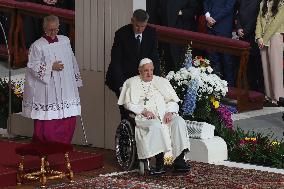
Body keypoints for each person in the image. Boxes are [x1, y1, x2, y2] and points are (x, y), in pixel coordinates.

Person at [118, 58, 190, 174]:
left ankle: (179, 160)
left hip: (164, 115)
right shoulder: (132, 83)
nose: (149, 73)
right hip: (145, 118)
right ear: (140, 71)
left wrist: (170, 112)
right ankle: (160, 162)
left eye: (151, 70)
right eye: (146, 70)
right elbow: (128, 103)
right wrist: (143, 111)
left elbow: (172, 100)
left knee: (179, 121)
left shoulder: (161, 82)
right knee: (157, 126)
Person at [22, 15, 82, 144]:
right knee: (48, 120)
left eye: (56, 29)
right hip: (47, 88)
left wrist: (75, 80)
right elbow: (32, 66)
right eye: (50, 30)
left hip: (64, 86)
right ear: (44, 28)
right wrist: (51, 67)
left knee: (66, 117)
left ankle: (63, 145)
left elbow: (72, 60)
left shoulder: (65, 41)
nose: (53, 32)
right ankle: (46, 145)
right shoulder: (37, 46)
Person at [105, 9, 160, 98]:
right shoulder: (121, 34)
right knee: (126, 109)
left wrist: (156, 79)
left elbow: (154, 57)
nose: (140, 29)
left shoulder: (151, 33)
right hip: (123, 76)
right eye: (137, 26)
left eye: (143, 26)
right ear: (132, 21)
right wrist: (122, 85)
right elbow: (116, 61)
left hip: (142, 78)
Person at [147, 0, 202, 73]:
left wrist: (181, 13)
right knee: (168, 59)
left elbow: (195, 9)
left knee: (182, 61)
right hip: (166, 32)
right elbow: (158, 10)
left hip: (183, 31)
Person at [255, 0, 284, 104]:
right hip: (263, 39)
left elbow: (276, 23)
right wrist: (258, 37)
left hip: (275, 36)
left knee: (275, 68)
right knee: (266, 67)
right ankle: (269, 96)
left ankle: (278, 98)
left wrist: (264, 38)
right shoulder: (263, 3)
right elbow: (259, 20)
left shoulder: (281, 3)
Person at [203, 0, 237, 87]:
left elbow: (229, 7)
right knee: (212, 58)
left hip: (223, 26)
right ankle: (214, 88)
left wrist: (214, 19)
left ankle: (230, 90)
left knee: (226, 59)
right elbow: (205, 2)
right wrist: (207, 17)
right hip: (209, 26)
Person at [235, 0, 264, 92]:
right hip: (242, 35)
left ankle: (258, 90)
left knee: (255, 64)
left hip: (253, 36)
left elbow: (257, 18)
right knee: (245, 65)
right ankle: (248, 88)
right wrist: (238, 28)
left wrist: (245, 32)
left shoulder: (259, 1)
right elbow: (238, 14)